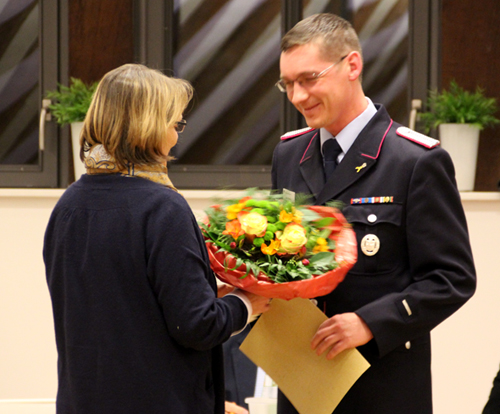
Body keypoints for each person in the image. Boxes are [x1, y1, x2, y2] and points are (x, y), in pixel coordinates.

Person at [271, 13, 476, 414]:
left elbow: (452, 279)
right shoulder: (289, 153)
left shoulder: (414, 160)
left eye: (309, 78)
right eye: (288, 84)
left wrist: (370, 322)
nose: (297, 96)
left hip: (381, 384)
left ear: (352, 65)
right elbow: (279, 258)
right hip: (302, 382)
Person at [43, 63, 271, 414]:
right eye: (176, 124)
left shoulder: (69, 205)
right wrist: (246, 305)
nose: (177, 136)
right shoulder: (162, 208)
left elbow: (122, 307)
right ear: (149, 126)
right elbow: (196, 326)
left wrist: (205, 293)